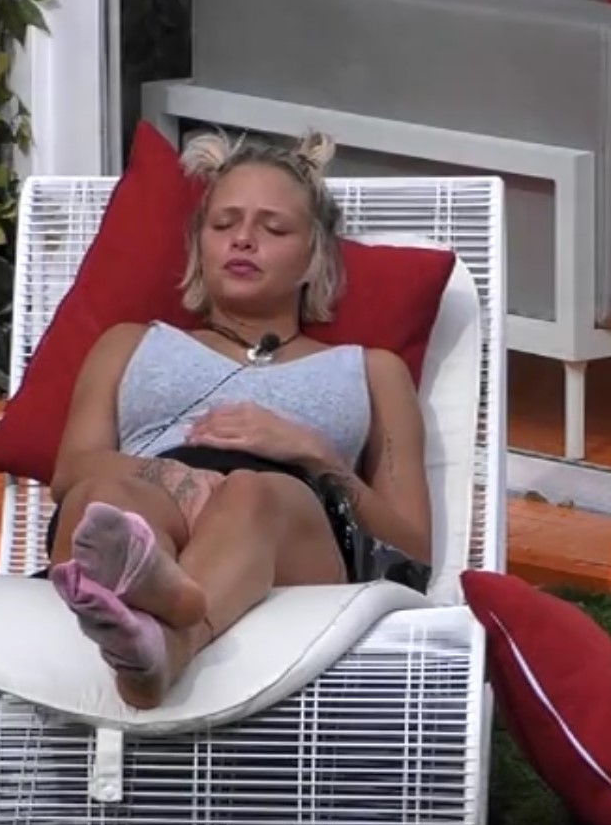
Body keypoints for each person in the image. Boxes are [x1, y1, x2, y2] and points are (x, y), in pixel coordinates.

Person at [44, 131, 434, 711]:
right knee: (105, 499)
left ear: (315, 256)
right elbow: (72, 470)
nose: (243, 239)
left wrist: (314, 455)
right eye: (223, 224)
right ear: (199, 245)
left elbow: (412, 545)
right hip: (152, 494)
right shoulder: (128, 343)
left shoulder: (373, 370)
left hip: (290, 521)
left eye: (273, 229)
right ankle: (157, 598)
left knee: (253, 493)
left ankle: (169, 640)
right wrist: (183, 482)